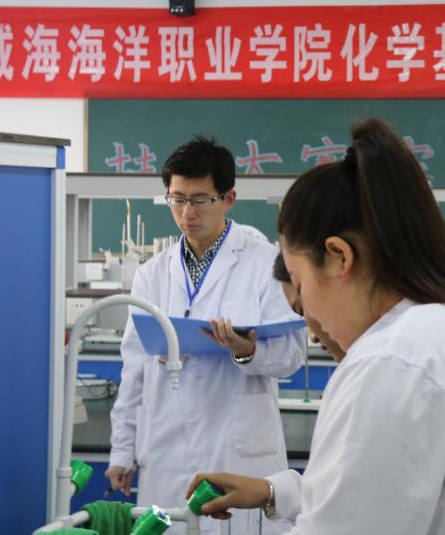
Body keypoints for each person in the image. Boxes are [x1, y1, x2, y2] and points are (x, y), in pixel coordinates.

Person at [184, 118, 445, 534]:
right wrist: (275, 491)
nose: (310, 325)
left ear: (340, 256)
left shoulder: (393, 361)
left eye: (300, 286)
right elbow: (391, 487)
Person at [106, 135, 305, 534]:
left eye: (199, 200)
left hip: (238, 452)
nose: (186, 212)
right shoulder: (151, 274)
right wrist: (122, 450)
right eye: (177, 199)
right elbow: (135, 370)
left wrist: (247, 351)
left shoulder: (265, 264)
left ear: (228, 198)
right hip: (167, 450)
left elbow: (292, 356)